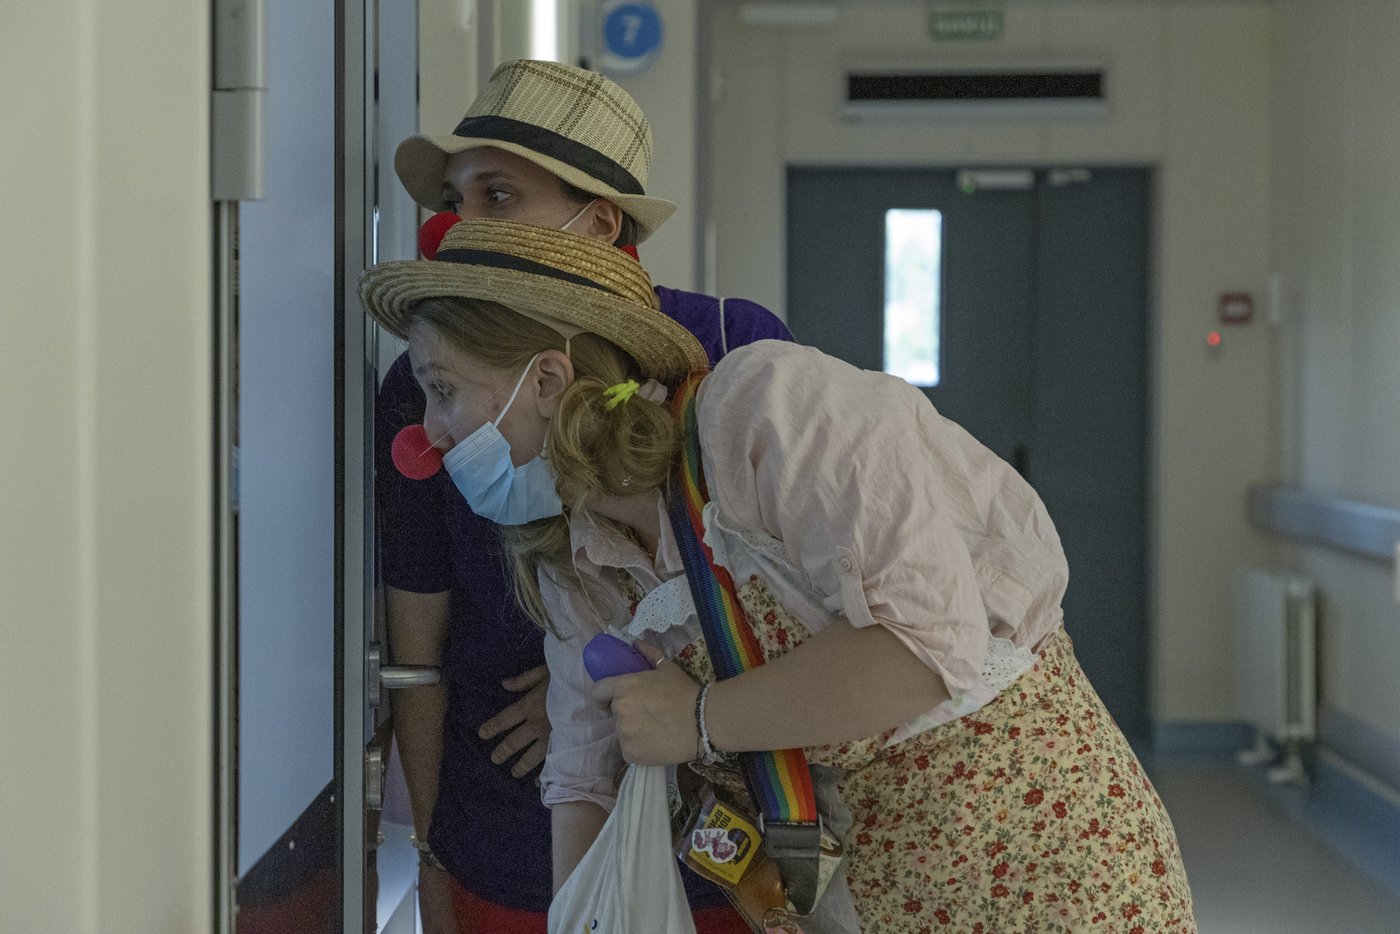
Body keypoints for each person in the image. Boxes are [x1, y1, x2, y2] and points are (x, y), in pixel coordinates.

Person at [361, 216, 1198, 933]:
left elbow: (924, 646)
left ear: (546, 379)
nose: (427, 435)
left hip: (1040, 861)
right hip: (870, 891)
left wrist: (699, 718)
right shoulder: (575, 553)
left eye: (442, 391)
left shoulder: (764, 414)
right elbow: (584, 771)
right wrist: (582, 916)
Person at [376, 59, 792, 933]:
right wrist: (429, 854)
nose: (463, 226)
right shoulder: (429, 383)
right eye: (455, 200)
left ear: (600, 223)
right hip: (508, 820)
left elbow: (806, 607)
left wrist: (624, 683)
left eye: (497, 196)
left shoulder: (731, 354)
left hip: (725, 831)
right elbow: (416, 642)